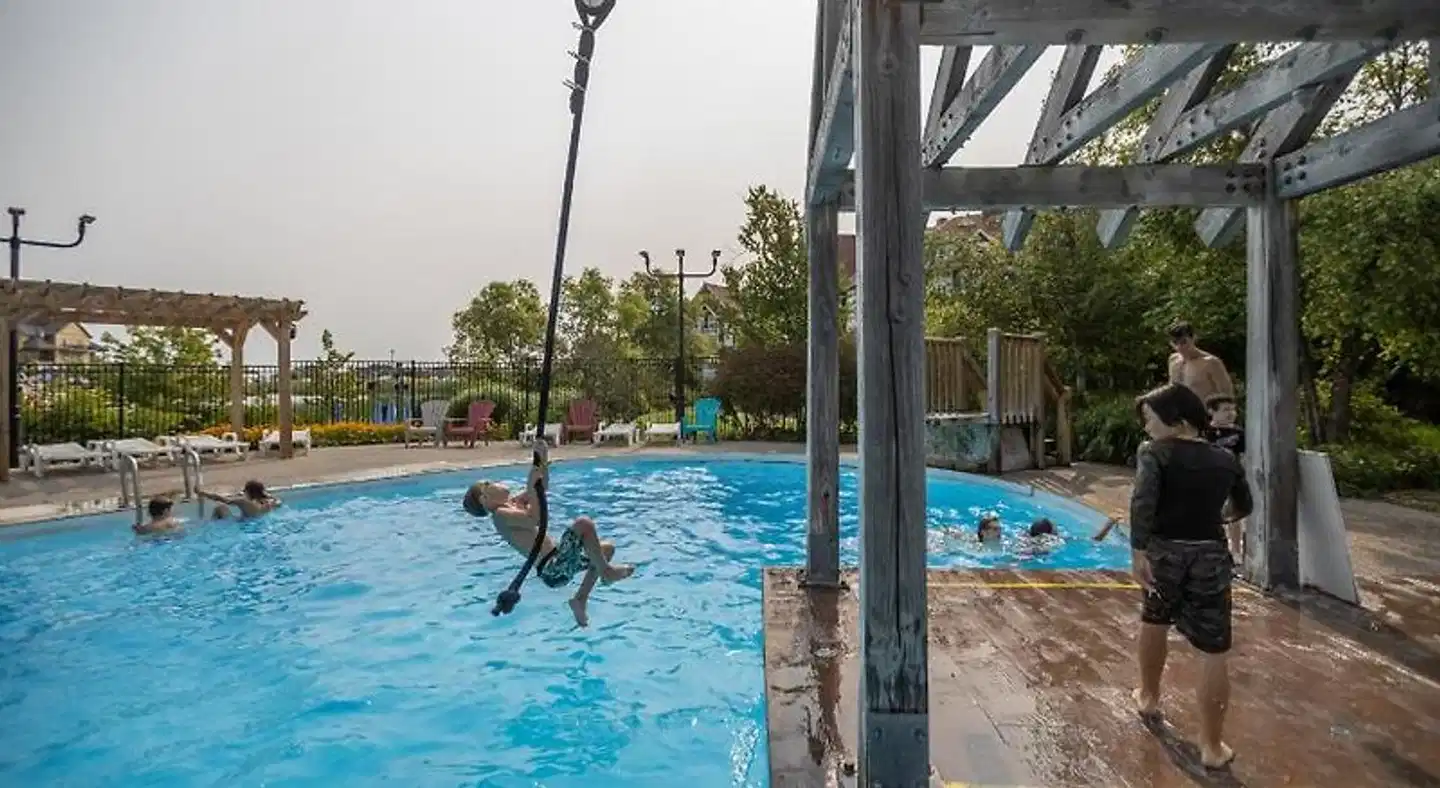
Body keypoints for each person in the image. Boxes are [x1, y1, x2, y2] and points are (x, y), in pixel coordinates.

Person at [1130, 382, 1254, 770]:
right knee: (1214, 649)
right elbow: (1244, 505)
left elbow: (1142, 503)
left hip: (1164, 554)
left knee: (1155, 621)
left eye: (1151, 420)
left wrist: (1137, 551)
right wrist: (1218, 519)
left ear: (1178, 421)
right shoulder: (1225, 460)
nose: (1147, 428)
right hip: (1210, 556)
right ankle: (1212, 746)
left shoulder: (1155, 454)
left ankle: (1149, 697)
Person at [462, 443, 634, 628]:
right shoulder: (500, 516)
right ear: (484, 499)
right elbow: (534, 518)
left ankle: (580, 600)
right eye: (488, 484)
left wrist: (542, 461)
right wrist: (530, 484)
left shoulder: (512, 503)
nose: (495, 483)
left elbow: (541, 488)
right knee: (584, 524)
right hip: (552, 568)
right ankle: (607, 573)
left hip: (559, 561)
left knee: (605, 550)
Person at [1203, 394, 1247, 559]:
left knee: (1234, 514)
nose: (1231, 413)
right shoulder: (1205, 433)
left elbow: (1244, 455)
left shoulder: (1238, 433)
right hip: (1210, 478)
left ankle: (1236, 550)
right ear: (1212, 412)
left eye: (1233, 409)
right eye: (1225, 410)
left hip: (1232, 476)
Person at [1166, 321, 1235, 405]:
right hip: (1180, 415)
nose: (1179, 347)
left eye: (1184, 342)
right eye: (1175, 343)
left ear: (1193, 338)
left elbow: (1227, 395)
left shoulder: (1211, 363)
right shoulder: (1173, 361)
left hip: (1205, 415)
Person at [199, 480, 282, 519]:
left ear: (248, 492)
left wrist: (203, 493)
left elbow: (223, 499)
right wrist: (268, 496)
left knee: (220, 508)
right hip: (255, 525)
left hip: (242, 525)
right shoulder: (268, 504)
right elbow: (279, 502)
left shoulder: (244, 502)